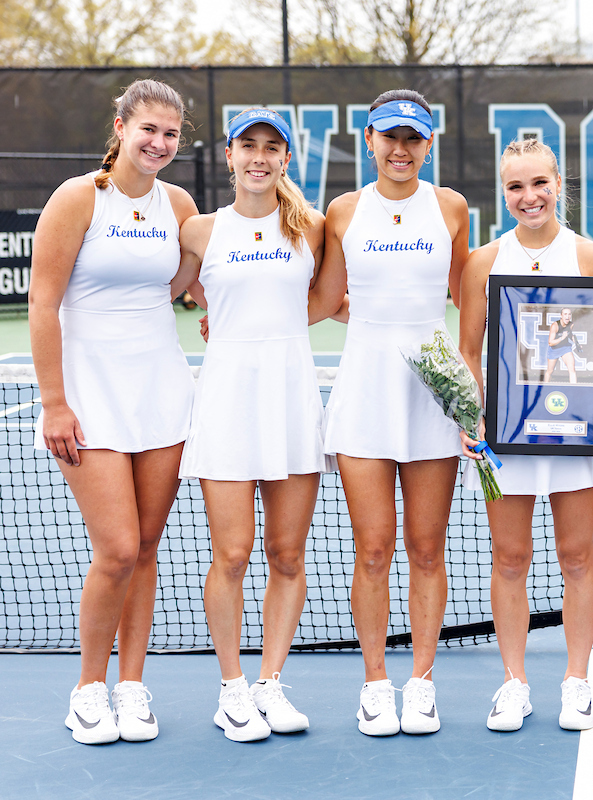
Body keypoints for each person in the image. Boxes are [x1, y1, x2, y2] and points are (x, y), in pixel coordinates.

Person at [30, 79, 197, 745]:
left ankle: (132, 685)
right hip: (90, 396)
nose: (158, 143)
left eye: (171, 134)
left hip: (161, 389)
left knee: (149, 548)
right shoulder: (78, 199)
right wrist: (54, 403)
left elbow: (180, 284)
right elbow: (43, 305)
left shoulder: (178, 203)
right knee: (118, 549)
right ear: (122, 126)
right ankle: (88, 689)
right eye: (148, 129)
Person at [309, 90, 470, 736]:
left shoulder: (451, 208)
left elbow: (469, 298)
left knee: (426, 549)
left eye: (414, 139)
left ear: (428, 145)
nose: (401, 150)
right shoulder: (343, 212)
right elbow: (323, 298)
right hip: (364, 390)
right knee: (372, 550)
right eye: (389, 137)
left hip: (434, 393)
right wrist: (235, 316)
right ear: (369, 139)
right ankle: (376, 682)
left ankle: (421, 684)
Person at [174, 108, 327, 743]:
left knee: (287, 555)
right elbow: (165, 290)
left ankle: (270, 683)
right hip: (226, 403)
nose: (259, 157)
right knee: (232, 553)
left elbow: (334, 298)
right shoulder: (199, 230)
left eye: (272, 147)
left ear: (286, 159)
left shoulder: (313, 228)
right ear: (230, 157)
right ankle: (232, 689)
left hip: (292, 401)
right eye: (248, 146)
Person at [459, 138, 593, 733]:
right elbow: (470, 354)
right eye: (515, 187)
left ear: (560, 183)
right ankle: (514, 683)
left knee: (578, 558)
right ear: (504, 192)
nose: (529, 197)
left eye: (539, 183)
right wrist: (473, 417)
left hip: (577, 438)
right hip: (507, 438)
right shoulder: (482, 262)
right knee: (511, 558)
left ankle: (576, 680)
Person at [546, 307, 578, 383]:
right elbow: (550, 343)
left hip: (565, 348)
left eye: (569, 314)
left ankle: (574, 389)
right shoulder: (555, 325)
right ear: (561, 316)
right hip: (554, 350)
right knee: (549, 371)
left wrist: (576, 342)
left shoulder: (571, 324)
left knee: (572, 370)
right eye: (565, 314)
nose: (567, 316)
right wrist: (562, 338)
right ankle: (544, 387)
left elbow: (570, 334)